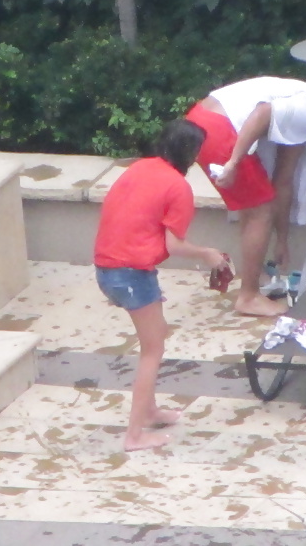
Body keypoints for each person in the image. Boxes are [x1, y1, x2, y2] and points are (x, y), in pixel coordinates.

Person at [94, 119, 231, 452]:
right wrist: (208, 255)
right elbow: (174, 245)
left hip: (107, 269)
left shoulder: (142, 168)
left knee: (155, 336)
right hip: (130, 274)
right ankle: (134, 435)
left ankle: (151, 410)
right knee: (153, 350)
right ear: (190, 153)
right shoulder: (178, 187)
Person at [185, 76, 306, 318]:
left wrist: (282, 240)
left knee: (256, 207)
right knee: (260, 210)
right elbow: (262, 113)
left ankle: (253, 284)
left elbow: (283, 180)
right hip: (218, 127)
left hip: (201, 119)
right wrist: (234, 162)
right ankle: (249, 297)